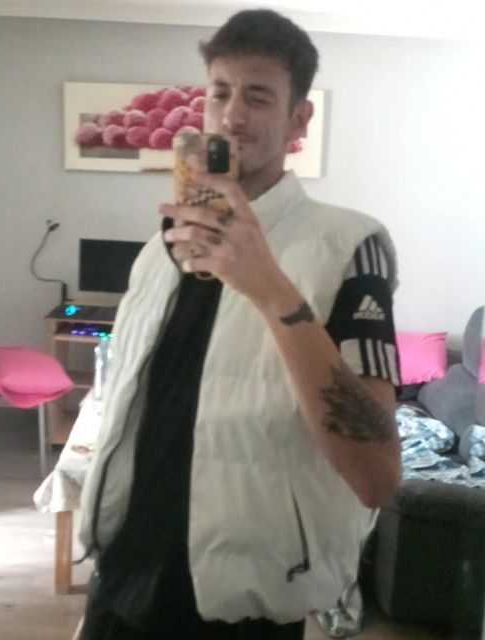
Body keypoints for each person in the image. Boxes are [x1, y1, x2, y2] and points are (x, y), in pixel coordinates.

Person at [77, 8, 402, 640]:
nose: (232, 115)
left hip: (244, 604)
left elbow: (376, 474)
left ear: (299, 119)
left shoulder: (348, 245)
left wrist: (269, 286)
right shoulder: (158, 252)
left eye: (257, 96)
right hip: (121, 581)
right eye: (219, 93)